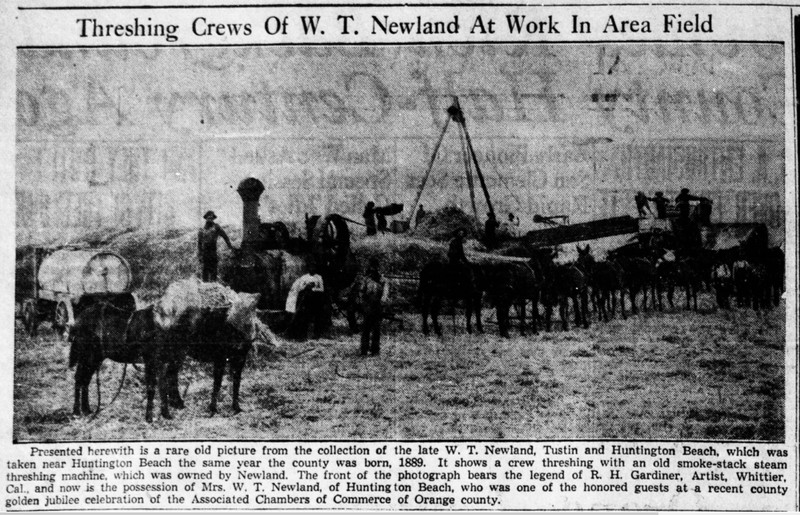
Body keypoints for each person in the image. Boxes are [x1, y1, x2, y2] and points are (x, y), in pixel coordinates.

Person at [285, 262, 327, 340]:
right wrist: (306, 286)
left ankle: (316, 335)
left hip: (316, 298)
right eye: (310, 268)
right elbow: (300, 288)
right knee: (304, 317)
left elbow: (321, 289)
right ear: (308, 269)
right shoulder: (304, 277)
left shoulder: (318, 277)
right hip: (307, 299)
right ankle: (302, 335)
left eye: (313, 268)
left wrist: (313, 288)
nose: (312, 269)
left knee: (317, 317)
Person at [359, 257, 389, 356]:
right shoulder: (366, 280)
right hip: (367, 306)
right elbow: (362, 292)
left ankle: (375, 350)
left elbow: (385, 294)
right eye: (371, 268)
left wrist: (382, 302)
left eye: (375, 268)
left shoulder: (383, 280)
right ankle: (364, 350)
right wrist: (363, 303)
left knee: (376, 329)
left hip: (377, 306)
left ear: (378, 268)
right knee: (365, 329)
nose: (373, 270)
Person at [197, 210, 234, 282]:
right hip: (205, 252)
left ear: (213, 218)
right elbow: (199, 244)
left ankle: (213, 284)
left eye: (211, 217)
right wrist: (200, 255)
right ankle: (205, 285)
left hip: (213, 250)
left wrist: (230, 247)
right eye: (208, 217)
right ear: (206, 218)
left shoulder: (216, 227)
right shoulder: (202, 230)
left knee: (213, 268)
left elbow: (225, 237)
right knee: (205, 269)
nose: (210, 219)